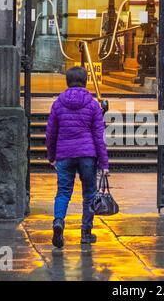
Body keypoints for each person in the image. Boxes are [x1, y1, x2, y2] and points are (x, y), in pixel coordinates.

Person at [45, 66, 109, 248]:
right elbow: (99, 136)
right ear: (85, 81)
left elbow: (51, 133)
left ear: (67, 81)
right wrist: (104, 163)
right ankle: (86, 233)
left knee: (63, 192)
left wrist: (51, 156)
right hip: (88, 155)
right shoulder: (92, 104)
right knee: (89, 193)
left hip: (64, 154)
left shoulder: (58, 103)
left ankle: (58, 222)